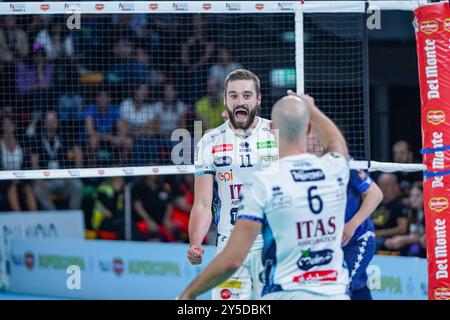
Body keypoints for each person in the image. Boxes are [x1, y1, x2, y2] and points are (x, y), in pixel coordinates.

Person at [180, 93, 350, 300]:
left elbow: (232, 260)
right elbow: (337, 144)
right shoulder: (335, 168)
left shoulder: (263, 183)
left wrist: (189, 294)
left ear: (272, 130)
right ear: (308, 129)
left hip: (285, 293)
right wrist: (311, 109)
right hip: (335, 293)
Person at [187, 69, 278, 300]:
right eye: (234, 95)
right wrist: (195, 242)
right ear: (225, 99)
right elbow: (202, 203)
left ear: (258, 99)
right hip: (228, 245)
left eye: (247, 95)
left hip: (271, 245)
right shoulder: (209, 141)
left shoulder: (277, 133)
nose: (240, 101)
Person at [342, 167, 383, 300]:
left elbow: (375, 194)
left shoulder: (346, 163)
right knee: (358, 285)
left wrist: (352, 225)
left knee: (337, 287)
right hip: (331, 244)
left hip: (357, 240)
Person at [384, 182, 426, 257]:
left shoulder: (429, 214)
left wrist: (403, 239)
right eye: (411, 196)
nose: (413, 199)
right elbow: (411, 233)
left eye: (417, 196)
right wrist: (396, 239)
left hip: (423, 247)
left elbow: (424, 238)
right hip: (410, 244)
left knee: (414, 249)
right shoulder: (409, 211)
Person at [372, 173, 409, 252]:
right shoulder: (376, 203)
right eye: (381, 184)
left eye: (387, 185)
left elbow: (402, 228)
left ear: (395, 186)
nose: (383, 188)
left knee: (375, 242)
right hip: (374, 236)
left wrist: (380, 233)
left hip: (390, 240)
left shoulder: (399, 205)